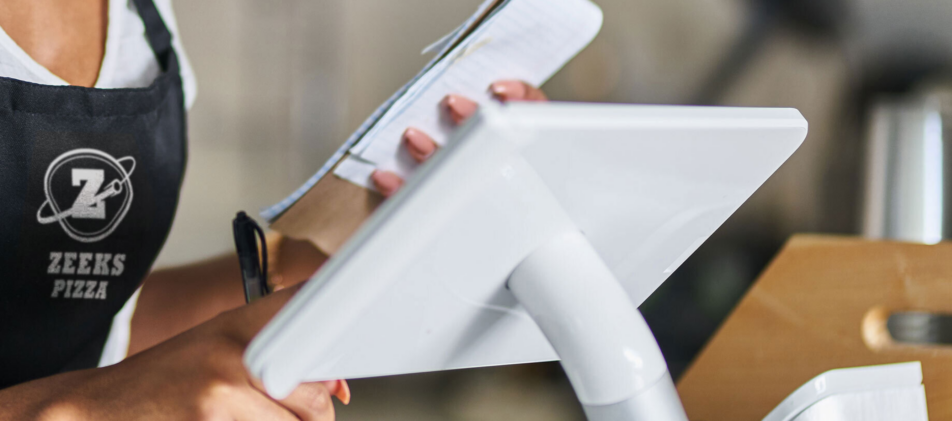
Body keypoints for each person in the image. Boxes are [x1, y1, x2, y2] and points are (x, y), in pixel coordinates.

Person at [0, 0, 547, 419]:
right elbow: (97, 391)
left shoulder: (141, 19)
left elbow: (80, 323)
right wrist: (88, 408)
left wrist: (364, 237)